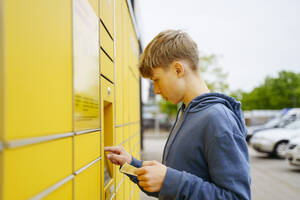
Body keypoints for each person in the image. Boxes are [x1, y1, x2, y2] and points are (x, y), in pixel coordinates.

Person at [104, 29, 251, 200]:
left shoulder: (217, 119)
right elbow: (172, 188)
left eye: (156, 80)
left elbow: (237, 197)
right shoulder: (187, 113)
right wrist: (131, 164)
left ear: (178, 69)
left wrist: (169, 180)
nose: (157, 90)